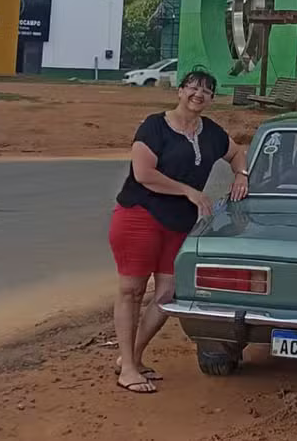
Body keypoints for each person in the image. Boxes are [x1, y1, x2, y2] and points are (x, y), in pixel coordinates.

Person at [109, 68, 250, 394]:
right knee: (131, 290)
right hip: (139, 215)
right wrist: (188, 191)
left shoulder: (211, 133)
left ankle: (132, 357)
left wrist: (241, 175)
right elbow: (143, 173)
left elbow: (237, 152)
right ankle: (128, 368)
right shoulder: (155, 126)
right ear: (180, 90)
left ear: (212, 98)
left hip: (180, 225)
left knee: (168, 294)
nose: (198, 94)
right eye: (192, 87)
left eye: (206, 91)